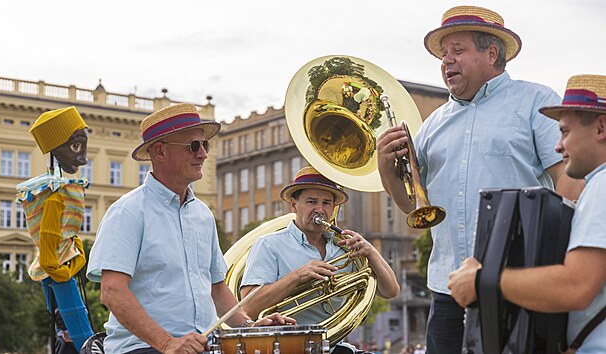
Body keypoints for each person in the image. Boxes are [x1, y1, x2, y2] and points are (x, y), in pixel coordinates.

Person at [376, 5, 584, 354]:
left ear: (492, 54)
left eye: (458, 51)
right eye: (444, 54)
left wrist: (546, 263)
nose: (446, 61)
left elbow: (568, 181)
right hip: (447, 289)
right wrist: (386, 168)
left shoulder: (537, 101)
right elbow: (415, 206)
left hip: (516, 283)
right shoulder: (432, 124)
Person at [86, 103, 293, 354]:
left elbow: (217, 289)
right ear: (160, 152)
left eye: (205, 145)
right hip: (141, 348)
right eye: (194, 145)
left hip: (201, 347)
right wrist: (167, 343)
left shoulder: (203, 214)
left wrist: (250, 326)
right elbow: (112, 291)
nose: (203, 154)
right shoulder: (127, 211)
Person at [448, 74, 606, 353]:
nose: (558, 146)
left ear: (601, 127)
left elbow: (576, 286)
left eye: (565, 132)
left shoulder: (602, 185)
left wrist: (482, 279)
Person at [240, 166, 400, 354]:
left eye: (326, 203)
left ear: (333, 209)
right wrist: (297, 276)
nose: (320, 210)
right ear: (293, 205)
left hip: (334, 346)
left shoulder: (344, 249)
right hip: (287, 347)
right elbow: (247, 309)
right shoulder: (269, 244)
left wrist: (371, 252)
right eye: (311, 202)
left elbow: (391, 291)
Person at [16, 106, 94, 352]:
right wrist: (69, 265)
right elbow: (50, 255)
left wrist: (75, 254)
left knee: (71, 334)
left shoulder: (61, 190)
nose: (82, 158)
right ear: (55, 149)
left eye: (83, 147)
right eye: (75, 147)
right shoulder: (55, 195)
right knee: (85, 340)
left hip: (60, 269)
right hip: (61, 272)